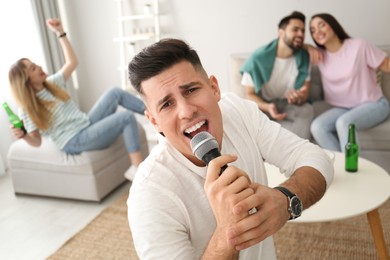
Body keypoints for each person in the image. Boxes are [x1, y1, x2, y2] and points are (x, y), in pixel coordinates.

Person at [127, 38, 334, 259]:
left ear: (214, 88)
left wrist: (284, 201)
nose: (186, 111)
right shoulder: (149, 195)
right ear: (154, 121)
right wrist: (227, 232)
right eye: (167, 104)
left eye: (191, 90)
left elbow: (315, 158)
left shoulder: (237, 111)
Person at [8, 18, 146, 181]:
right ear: (26, 80)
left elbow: (72, 62)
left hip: (85, 123)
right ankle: (138, 171)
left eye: (35, 64)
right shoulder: (27, 108)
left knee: (115, 92)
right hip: (74, 140)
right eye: (33, 68)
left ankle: (155, 113)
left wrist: (60, 32)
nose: (39, 67)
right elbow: (36, 142)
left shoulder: (51, 83)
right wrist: (23, 135)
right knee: (126, 117)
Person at [309, 13, 390, 152]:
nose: (318, 32)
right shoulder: (319, 55)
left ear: (333, 25)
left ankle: (352, 170)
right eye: (313, 30)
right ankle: (341, 165)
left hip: (374, 104)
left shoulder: (359, 46)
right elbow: (293, 46)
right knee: (317, 127)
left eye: (322, 25)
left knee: (344, 123)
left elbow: (387, 66)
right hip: (344, 107)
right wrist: (306, 46)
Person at [240, 11, 314, 139]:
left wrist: (299, 97)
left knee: (307, 110)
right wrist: (267, 107)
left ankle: (295, 147)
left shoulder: (304, 57)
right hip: (266, 105)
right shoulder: (257, 58)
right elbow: (249, 94)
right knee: (248, 116)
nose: (301, 34)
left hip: (289, 105)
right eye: (295, 29)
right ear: (281, 32)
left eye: (303, 31)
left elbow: (305, 91)